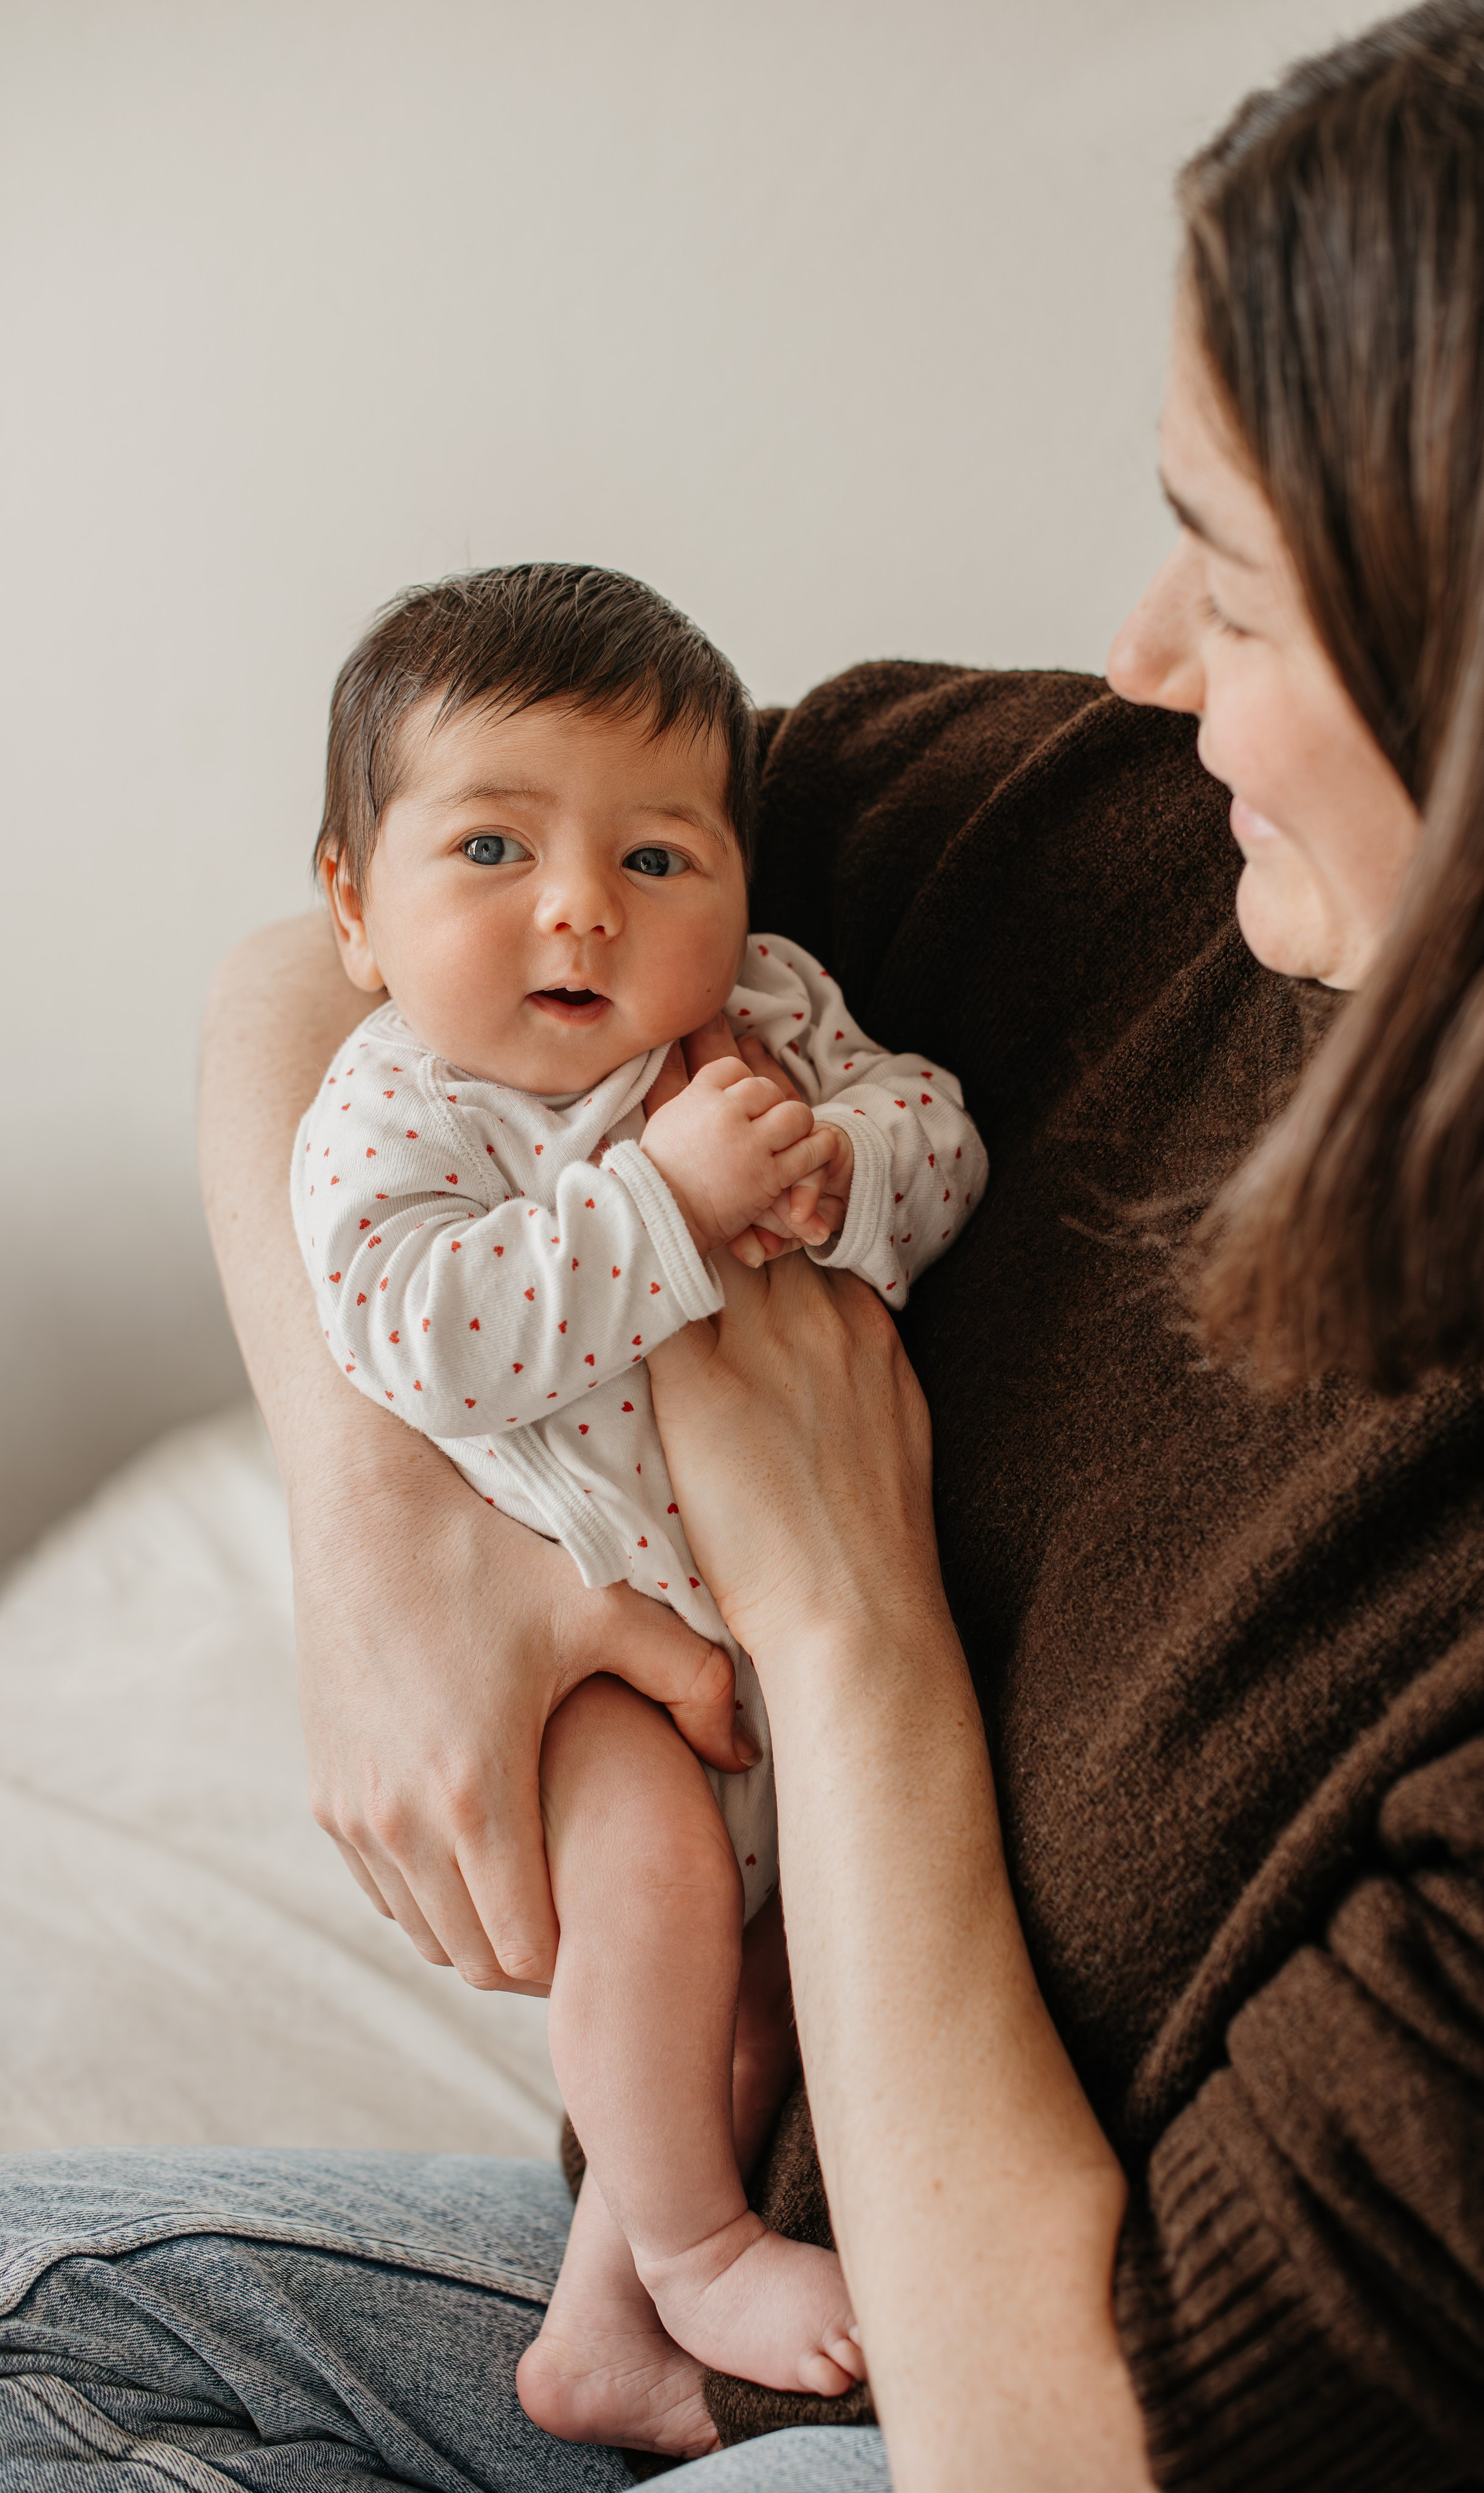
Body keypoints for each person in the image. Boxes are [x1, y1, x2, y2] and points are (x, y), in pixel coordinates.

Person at [3, 3, 1484, 2488]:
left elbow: (1065, 2449)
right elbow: (325, 982)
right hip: (724, 2276)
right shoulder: (1110, 850)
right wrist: (386, 1543)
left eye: (1238, 573)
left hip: (995, 2398)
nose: (1142, 656)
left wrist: (843, 1613)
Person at [283, 560, 983, 2440]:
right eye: (494, 846)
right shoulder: (392, 1107)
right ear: (354, 909)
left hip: (788, 1665)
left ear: (741, 892)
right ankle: (689, 2250)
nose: (582, 901)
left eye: (659, 857)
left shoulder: (763, 1016)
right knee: (661, 1901)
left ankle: (604, 2331)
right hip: (593, 1643)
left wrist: (848, 1165)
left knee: (773, 2000)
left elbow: (938, 1122)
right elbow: (427, 1332)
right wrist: (662, 1204)